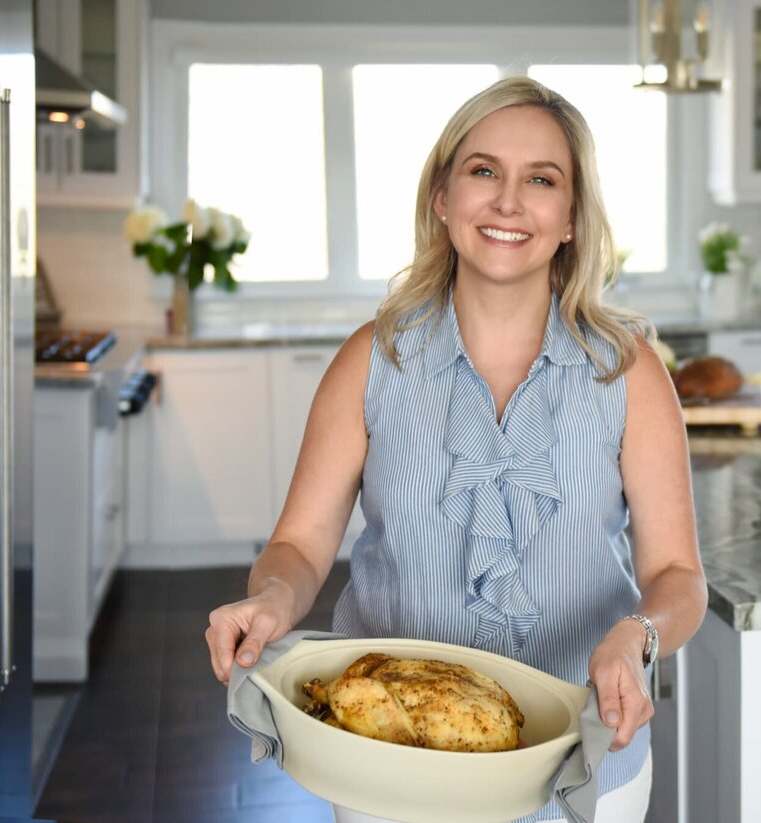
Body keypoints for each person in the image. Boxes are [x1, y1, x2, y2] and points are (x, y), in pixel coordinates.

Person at [206, 75, 707, 822]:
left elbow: (677, 575)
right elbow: (299, 546)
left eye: (541, 179)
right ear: (443, 197)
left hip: (587, 758)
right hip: (389, 766)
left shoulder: (627, 371)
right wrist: (273, 597)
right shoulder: (370, 362)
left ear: (571, 216)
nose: (509, 201)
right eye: (483, 171)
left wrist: (637, 637)